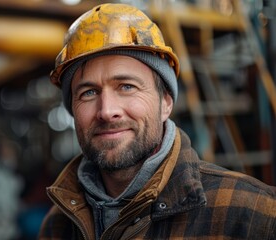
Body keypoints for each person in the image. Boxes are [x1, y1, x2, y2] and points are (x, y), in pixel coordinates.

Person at [38, 3, 276, 240]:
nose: (107, 111)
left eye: (127, 87)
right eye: (88, 92)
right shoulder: (57, 226)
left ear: (166, 103)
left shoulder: (253, 216)